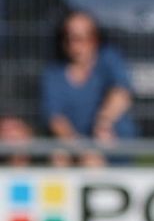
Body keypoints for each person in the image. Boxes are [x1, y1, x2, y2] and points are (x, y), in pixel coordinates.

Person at [40, 10, 136, 165]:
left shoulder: (109, 60)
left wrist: (103, 123)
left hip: (110, 142)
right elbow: (55, 118)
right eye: (70, 38)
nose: (76, 44)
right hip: (74, 143)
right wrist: (78, 146)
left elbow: (121, 93)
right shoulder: (54, 73)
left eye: (84, 38)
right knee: (59, 156)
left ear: (95, 39)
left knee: (92, 162)